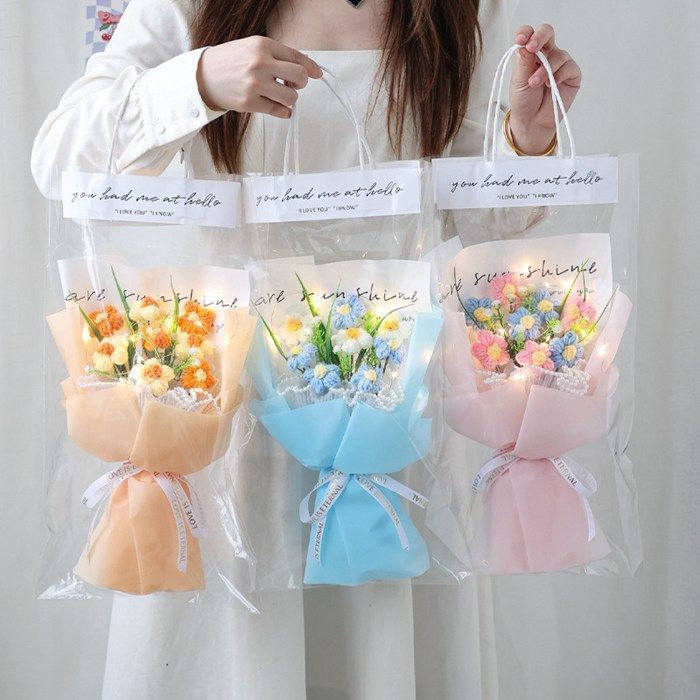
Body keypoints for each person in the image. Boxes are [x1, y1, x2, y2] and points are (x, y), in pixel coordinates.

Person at [31, 0, 581, 196]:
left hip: (401, 369)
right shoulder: (188, 4)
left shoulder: (463, 9)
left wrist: (527, 141)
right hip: (234, 373)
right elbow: (58, 163)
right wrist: (196, 81)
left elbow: (485, 227)